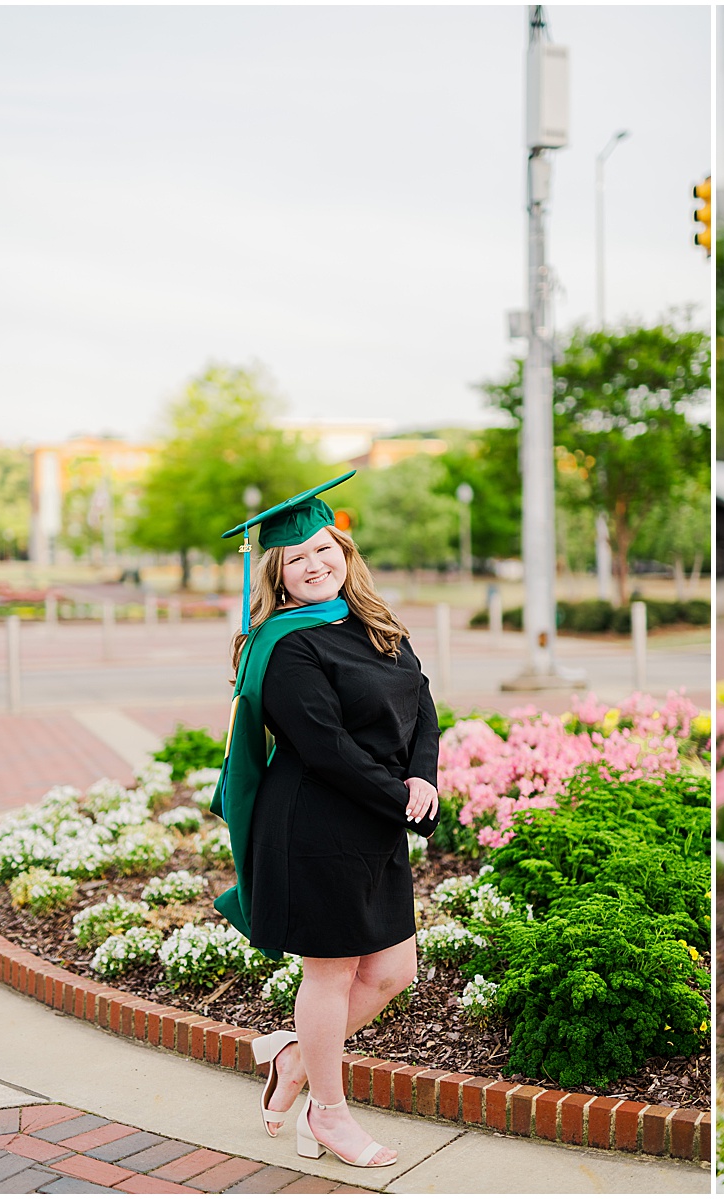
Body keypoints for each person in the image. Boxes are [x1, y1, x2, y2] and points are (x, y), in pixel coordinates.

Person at [210, 472, 441, 1169]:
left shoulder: (367, 617)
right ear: (277, 575)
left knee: (395, 966)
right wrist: (397, 796)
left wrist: (423, 773)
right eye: (297, 559)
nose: (315, 565)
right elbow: (326, 747)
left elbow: (421, 699)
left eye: (323, 548)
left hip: (371, 818)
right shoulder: (285, 645)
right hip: (314, 822)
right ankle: (330, 1114)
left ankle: (291, 1054)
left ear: (343, 548)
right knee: (333, 972)